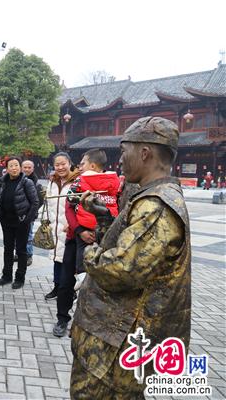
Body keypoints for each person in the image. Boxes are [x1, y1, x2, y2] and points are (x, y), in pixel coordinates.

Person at [70, 116, 191, 399]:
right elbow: (128, 246)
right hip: (114, 334)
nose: (120, 160)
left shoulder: (156, 206)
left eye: (124, 151)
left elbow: (121, 270)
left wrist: (89, 253)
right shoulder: (148, 196)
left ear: (144, 152)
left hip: (119, 339)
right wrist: (104, 218)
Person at [68, 149, 120, 289]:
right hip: (107, 225)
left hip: (86, 224)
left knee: (82, 251)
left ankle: (81, 276)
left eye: (82, 164)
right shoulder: (114, 180)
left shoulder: (81, 179)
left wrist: (80, 199)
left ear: (92, 166)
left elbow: (70, 198)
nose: (80, 167)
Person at [0, 156, 39, 289]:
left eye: (16, 165)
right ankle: (6, 276)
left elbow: (35, 202)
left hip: (21, 222)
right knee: (7, 249)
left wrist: (27, 220)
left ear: (20, 167)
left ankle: (20, 278)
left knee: (21, 250)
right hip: (6, 221)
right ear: (7, 168)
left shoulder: (27, 182)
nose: (14, 168)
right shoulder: (3, 181)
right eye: (11, 166)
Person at [44, 152, 79, 300]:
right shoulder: (53, 181)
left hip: (69, 228)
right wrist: (46, 220)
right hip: (55, 226)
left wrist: (73, 224)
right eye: (57, 165)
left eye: (63, 164)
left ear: (70, 163)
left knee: (69, 260)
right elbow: (48, 203)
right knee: (56, 258)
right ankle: (57, 286)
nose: (60, 167)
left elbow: (81, 206)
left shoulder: (77, 182)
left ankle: (70, 289)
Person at [21, 159, 43, 265]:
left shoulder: (36, 183)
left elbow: (40, 200)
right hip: (18, 214)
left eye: (29, 167)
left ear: (33, 169)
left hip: (30, 214)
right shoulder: (17, 179)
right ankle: (19, 254)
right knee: (18, 236)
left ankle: (28, 255)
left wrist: (31, 211)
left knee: (28, 236)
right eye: (25, 167)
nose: (27, 169)